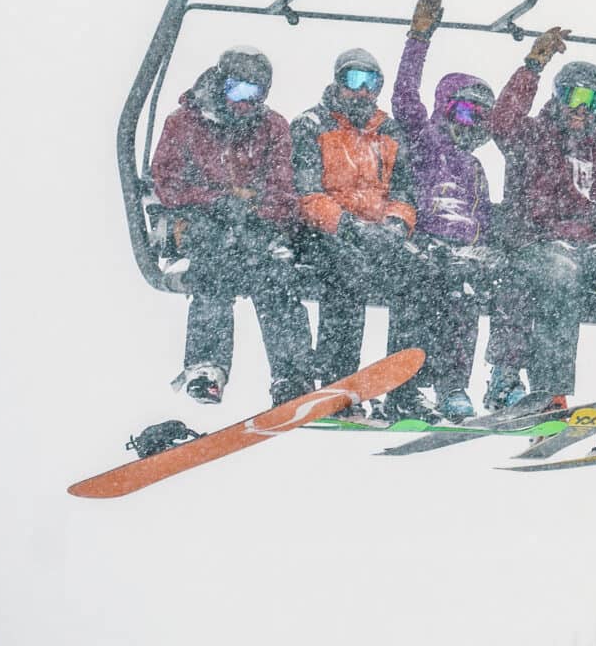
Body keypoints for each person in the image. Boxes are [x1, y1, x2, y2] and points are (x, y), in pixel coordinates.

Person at [483, 26, 596, 407]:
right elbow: (502, 120)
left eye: (593, 101)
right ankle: (551, 391)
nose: (582, 107)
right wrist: (533, 66)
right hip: (539, 243)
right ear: (558, 97)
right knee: (561, 277)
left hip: (593, 246)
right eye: (574, 96)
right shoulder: (531, 136)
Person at [148, 47, 316, 405]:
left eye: (254, 94)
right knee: (213, 267)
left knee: (275, 276)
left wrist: (254, 209)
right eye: (237, 90)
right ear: (221, 83)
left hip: (255, 227)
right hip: (202, 222)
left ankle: (293, 376)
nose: (244, 102)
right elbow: (167, 181)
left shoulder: (272, 128)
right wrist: (218, 200)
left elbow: (283, 189)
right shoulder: (186, 122)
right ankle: (206, 368)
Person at [292, 45, 433, 419]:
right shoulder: (312, 125)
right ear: (338, 83)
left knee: (422, 274)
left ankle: (405, 389)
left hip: (377, 230)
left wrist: (395, 226)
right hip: (324, 231)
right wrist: (348, 227)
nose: (362, 91)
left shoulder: (387, 131)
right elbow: (307, 192)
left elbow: (405, 192)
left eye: (371, 83)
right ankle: (340, 385)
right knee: (347, 273)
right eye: (354, 81)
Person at [391, 0, 499, 416]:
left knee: (462, 291)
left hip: (461, 251)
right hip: (423, 242)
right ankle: (406, 384)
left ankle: (453, 384)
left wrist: (484, 249)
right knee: (420, 284)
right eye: (466, 113)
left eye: (481, 120)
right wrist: (419, 38)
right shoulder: (425, 139)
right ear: (448, 108)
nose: (471, 126)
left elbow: (483, 217)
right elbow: (404, 97)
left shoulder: (474, 167)